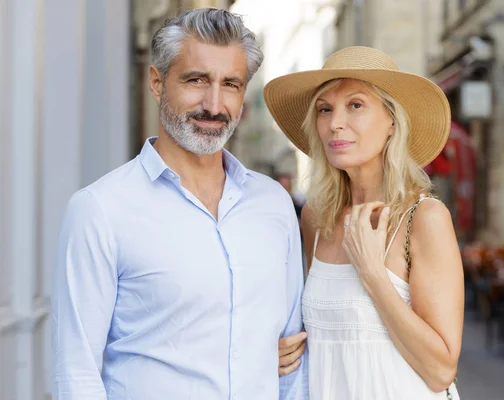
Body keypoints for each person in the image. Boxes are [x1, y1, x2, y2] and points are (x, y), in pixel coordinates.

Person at [51, 8, 307, 399]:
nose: (214, 104)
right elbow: (76, 374)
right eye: (196, 80)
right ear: (157, 82)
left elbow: (292, 362)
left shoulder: (272, 204)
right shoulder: (100, 210)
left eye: (232, 84)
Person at [265, 46, 464, 399]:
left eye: (355, 105)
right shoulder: (316, 219)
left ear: (392, 121)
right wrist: (276, 352)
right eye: (325, 109)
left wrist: (372, 273)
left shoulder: (424, 219)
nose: (335, 122)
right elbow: (334, 335)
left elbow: (440, 370)